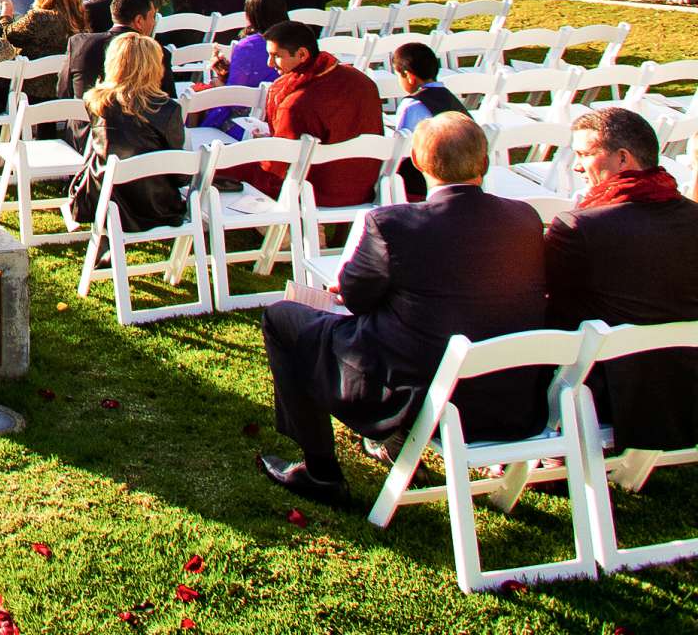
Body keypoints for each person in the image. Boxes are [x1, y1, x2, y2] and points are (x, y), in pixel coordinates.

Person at [258, 113, 546, 505]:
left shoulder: (392, 224)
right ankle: (382, 442)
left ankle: (321, 469)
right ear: (484, 161)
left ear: (419, 163)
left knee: (283, 317)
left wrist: (349, 287)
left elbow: (356, 300)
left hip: (419, 392)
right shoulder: (525, 218)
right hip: (509, 395)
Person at [545, 107, 698, 454]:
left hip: (613, 397)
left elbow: (558, 316)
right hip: (687, 388)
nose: (577, 166)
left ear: (622, 158)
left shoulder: (578, 227)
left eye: (584, 154)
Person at [218, 20, 384, 205]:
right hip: (365, 185)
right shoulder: (362, 81)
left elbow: (276, 167)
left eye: (276, 56)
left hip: (314, 190)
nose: (270, 63)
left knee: (227, 162)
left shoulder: (295, 103)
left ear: (302, 54)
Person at [67, 34, 188, 225]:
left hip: (106, 199)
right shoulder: (169, 110)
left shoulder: (97, 104)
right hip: (157, 208)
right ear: (155, 66)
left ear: (113, 64)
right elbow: (180, 175)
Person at [388, 41, 468, 198]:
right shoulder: (451, 98)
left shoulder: (412, 104)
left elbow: (402, 148)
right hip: (461, 175)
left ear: (409, 76)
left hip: (424, 182)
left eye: (398, 75)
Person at [66, 0, 157, 99]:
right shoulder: (156, 54)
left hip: (81, 113)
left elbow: (64, 91)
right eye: (152, 17)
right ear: (139, 21)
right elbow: (166, 104)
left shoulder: (79, 43)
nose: (154, 23)